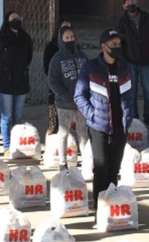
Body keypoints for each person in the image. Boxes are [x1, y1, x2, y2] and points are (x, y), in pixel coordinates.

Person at [74, 29, 135, 202]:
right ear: (103, 46)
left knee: (114, 169)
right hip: (98, 127)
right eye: (113, 44)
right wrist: (92, 115)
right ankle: (99, 206)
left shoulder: (125, 68)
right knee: (101, 167)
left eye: (119, 44)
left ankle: (111, 203)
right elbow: (79, 95)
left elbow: (130, 94)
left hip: (120, 126)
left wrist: (129, 116)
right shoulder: (91, 67)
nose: (117, 47)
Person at [0, 11, 33, 157]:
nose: (16, 20)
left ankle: (18, 145)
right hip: (5, 83)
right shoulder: (0, 38)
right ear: (7, 21)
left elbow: (29, 58)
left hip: (21, 82)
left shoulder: (25, 38)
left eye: (18, 18)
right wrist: (3, 71)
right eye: (13, 18)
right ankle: (7, 147)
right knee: (6, 116)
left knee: (18, 116)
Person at [46, 24, 89, 172]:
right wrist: (66, 95)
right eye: (66, 38)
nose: (70, 40)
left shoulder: (83, 56)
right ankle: (62, 163)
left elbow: (90, 76)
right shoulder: (56, 59)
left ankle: (87, 162)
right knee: (63, 133)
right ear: (61, 39)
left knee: (83, 133)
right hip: (64, 104)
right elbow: (52, 81)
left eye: (72, 37)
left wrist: (86, 95)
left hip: (82, 103)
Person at [117, 0, 149, 128]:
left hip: (146, 60)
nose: (131, 6)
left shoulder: (146, 17)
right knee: (131, 91)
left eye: (133, 3)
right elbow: (119, 42)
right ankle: (134, 119)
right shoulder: (122, 22)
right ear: (124, 6)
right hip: (130, 61)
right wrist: (124, 58)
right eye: (128, 4)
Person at [42, 20, 71, 137]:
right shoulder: (51, 47)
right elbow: (46, 67)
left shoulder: (75, 48)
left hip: (71, 84)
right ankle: (53, 131)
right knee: (53, 110)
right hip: (56, 84)